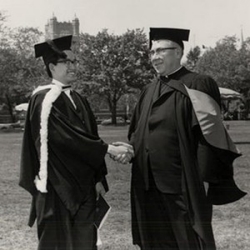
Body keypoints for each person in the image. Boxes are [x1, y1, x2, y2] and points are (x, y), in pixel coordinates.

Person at [114, 28, 246, 250]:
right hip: (147, 184)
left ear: (178, 52)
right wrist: (130, 149)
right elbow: (137, 132)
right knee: (155, 241)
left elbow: (209, 136)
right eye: (151, 52)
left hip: (182, 183)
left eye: (160, 51)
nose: (154, 56)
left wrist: (204, 179)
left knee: (189, 240)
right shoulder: (148, 90)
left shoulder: (198, 85)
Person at [19, 35, 132, 250]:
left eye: (75, 62)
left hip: (84, 188)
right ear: (52, 66)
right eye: (66, 61)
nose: (73, 66)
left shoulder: (79, 98)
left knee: (84, 243)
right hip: (56, 188)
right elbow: (67, 138)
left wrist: (98, 178)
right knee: (56, 243)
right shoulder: (43, 99)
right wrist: (108, 149)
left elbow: (91, 137)